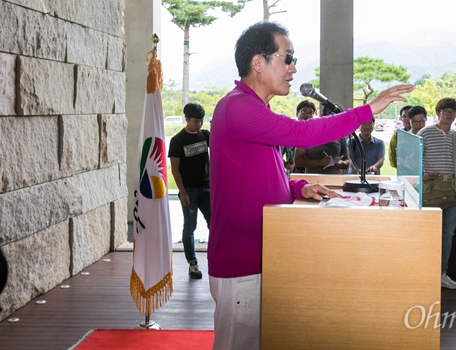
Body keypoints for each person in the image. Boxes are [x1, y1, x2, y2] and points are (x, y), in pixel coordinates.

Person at [208, 21, 413, 349]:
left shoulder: (252, 108)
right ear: (258, 63)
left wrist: (297, 186)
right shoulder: (237, 107)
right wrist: (366, 111)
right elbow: (304, 133)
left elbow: (259, 172)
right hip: (241, 260)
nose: (293, 68)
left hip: (264, 253)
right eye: (287, 58)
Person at [418, 98, 456, 290]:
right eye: (446, 110)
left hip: (453, 193)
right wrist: (423, 176)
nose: (449, 114)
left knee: (447, 235)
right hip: (430, 192)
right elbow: (415, 161)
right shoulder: (425, 133)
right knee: (427, 235)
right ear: (438, 112)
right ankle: (424, 273)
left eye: (453, 111)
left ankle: (441, 273)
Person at [168, 103, 211, 279]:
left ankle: (216, 256)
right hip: (189, 189)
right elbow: (175, 169)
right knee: (190, 226)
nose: (198, 125)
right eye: (195, 121)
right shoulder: (177, 140)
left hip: (206, 188)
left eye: (201, 121)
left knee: (214, 222)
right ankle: (192, 263)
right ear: (186, 119)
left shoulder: (206, 135)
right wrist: (182, 191)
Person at [294, 108, 351, 174]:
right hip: (313, 180)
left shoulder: (340, 136)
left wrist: (342, 163)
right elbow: (297, 161)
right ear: (322, 117)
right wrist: (319, 162)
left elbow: (347, 160)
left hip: (334, 180)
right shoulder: (310, 133)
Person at [281, 100, 316, 175]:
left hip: (313, 175)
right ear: (297, 113)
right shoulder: (288, 134)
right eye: (304, 111)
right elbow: (277, 156)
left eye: (311, 112)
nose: (307, 115)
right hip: (293, 176)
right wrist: (291, 167)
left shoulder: (315, 135)